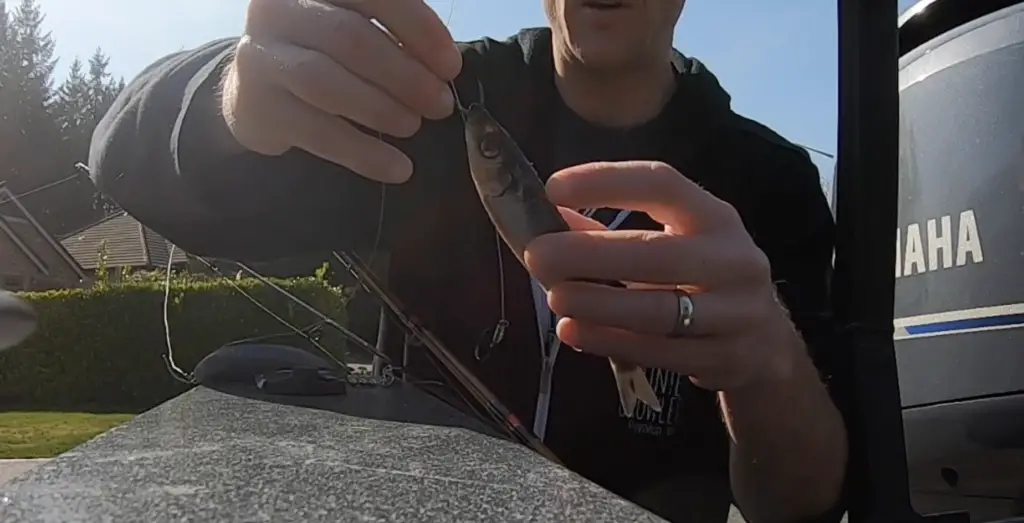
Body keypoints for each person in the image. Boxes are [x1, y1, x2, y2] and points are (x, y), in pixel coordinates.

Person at [90, 0, 849, 521]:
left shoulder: (770, 181)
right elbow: (122, 159)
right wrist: (230, 100)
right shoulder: (426, 101)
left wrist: (769, 365)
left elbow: (803, 503)